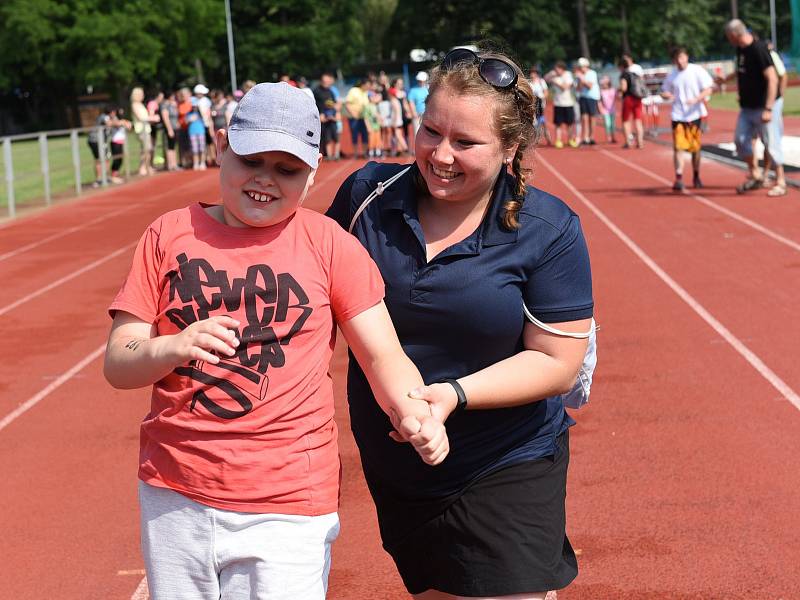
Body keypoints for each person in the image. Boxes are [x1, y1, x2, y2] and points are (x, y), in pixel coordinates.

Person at [103, 82, 448, 600]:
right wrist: (171, 346)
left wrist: (415, 412)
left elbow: (383, 356)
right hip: (175, 490)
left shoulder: (330, 245)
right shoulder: (168, 234)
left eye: (286, 169)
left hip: (288, 499)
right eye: (251, 160)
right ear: (222, 147)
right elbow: (119, 359)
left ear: (311, 174)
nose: (265, 180)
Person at [327, 47, 593, 600]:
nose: (440, 154)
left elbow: (557, 363)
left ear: (511, 148)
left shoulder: (548, 229)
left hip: (505, 458)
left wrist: (452, 395)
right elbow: (308, 292)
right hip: (401, 464)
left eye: (466, 143)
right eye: (430, 131)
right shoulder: (365, 198)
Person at [725, 19, 780, 195]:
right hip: (747, 107)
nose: (728, 40)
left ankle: (781, 182)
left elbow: (773, 78)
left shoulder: (759, 49)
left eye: (728, 37)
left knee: (771, 144)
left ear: (734, 35)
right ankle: (755, 174)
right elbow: (741, 70)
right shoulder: (740, 49)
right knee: (740, 140)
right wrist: (724, 80)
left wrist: (769, 108)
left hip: (764, 105)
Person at [660, 47, 714, 191]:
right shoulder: (672, 75)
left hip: (694, 115)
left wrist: (697, 99)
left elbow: (708, 88)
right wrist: (666, 95)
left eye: (682, 57)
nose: (680, 61)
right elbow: (664, 91)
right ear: (673, 61)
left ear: (687, 57)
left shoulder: (697, 71)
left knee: (695, 148)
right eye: (677, 59)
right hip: (678, 115)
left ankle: (696, 175)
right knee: (678, 147)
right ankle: (679, 178)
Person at [761, 41, 788, 197]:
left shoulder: (770, 56)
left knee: (771, 139)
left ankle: (779, 179)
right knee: (765, 140)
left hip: (772, 104)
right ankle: (764, 173)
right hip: (759, 104)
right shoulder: (748, 56)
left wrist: (780, 96)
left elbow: (782, 75)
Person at [545, 61, 578, 148]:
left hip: (568, 103)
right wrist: (551, 73)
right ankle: (558, 140)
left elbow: (565, 87)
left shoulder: (568, 75)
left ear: (562, 69)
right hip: (558, 103)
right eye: (555, 69)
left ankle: (570, 139)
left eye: (558, 69)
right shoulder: (554, 75)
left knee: (570, 123)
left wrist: (555, 82)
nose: (556, 71)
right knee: (558, 124)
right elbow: (545, 78)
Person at [618, 55, 646, 148]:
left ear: (621, 66)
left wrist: (619, 91)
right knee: (638, 120)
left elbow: (624, 88)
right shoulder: (635, 74)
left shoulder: (624, 75)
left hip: (628, 98)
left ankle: (628, 142)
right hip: (638, 98)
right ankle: (640, 141)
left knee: (626, 120)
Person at [130, 87, 158, 176]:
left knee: (147, 149)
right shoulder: (134, 105)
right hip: (141, 129)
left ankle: (146, 166)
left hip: (146, 128)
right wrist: (153, 118)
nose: (143, 96)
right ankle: (143, 167)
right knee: (147, 148)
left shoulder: (140, 104)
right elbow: (141, 118)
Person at [313, 72, 341, 160]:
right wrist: (319, 114)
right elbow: (313, 104)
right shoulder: (316, 91)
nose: (327, 83)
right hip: (321, 118)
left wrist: (336, 112)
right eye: (325, 81)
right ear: (321, 81)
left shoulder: (330, 91)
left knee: (335, 138)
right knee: (325, 138)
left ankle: (335, 155)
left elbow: (335, 103)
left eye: (328, 81)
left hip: (331, 118)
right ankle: (326, 155)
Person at [575, 57, 600, 145]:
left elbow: (589, 86)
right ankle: (585, 137)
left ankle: (591, 137)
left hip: (592, 97)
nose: (581, 68)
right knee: (584, 118)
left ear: (586, 66)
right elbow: (578, 89)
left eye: (581, 66)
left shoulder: (592, 73)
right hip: (583, 97)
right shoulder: (579, 75)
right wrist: (579, 79)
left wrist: (581, 78)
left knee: (592, 118)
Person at [344, 79, 370, 159]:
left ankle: (365, 153)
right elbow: (347, 103)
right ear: (363, 84)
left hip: (363, 118)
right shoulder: (353, 91)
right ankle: (355, 153)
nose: (368, 87)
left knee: (365, 135)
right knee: (355, 135)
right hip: (354, 118)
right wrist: (353, 114)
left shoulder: (366, 92)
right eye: (367, 85)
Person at [529, 68, 552, 146]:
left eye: (534, 72)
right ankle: (535, 139)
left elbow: (546, 92)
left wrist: (541, 97)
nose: (532, 74)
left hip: (540, 104)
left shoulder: (541, 82)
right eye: (531, 72)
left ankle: (548, 138)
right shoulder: (529, 83)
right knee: (534, 122)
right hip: (532, 104)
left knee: (541, 122)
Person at [159, 91, 180, 171]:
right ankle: (170, 164)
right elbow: (165, 118)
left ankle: (175, 164)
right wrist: (169, 129)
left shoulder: (172, 105)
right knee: (170, 146)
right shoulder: (165, 105)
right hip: (170, 128)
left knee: (173, 146)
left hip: (175, 128)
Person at [408, 71, 430, 138]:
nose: (420, 82)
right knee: (417, 133)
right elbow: (411, 102)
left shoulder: (429, 88)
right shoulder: (413, 90)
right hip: (417, 115)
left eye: (422, 80)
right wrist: (414, 113)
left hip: (428, 115)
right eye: (419, 80)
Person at [598, 76, 617, 143]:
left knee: (613, 124)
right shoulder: (601, 91)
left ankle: (613, 137)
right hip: (605, 110)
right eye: (603, 84)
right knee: (607, 124)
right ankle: (609, 137)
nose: (604, 85)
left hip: (612, 109)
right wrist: (600, 109)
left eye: (606, 83)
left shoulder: (613, 90)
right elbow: (599, 101)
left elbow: (617, 98)